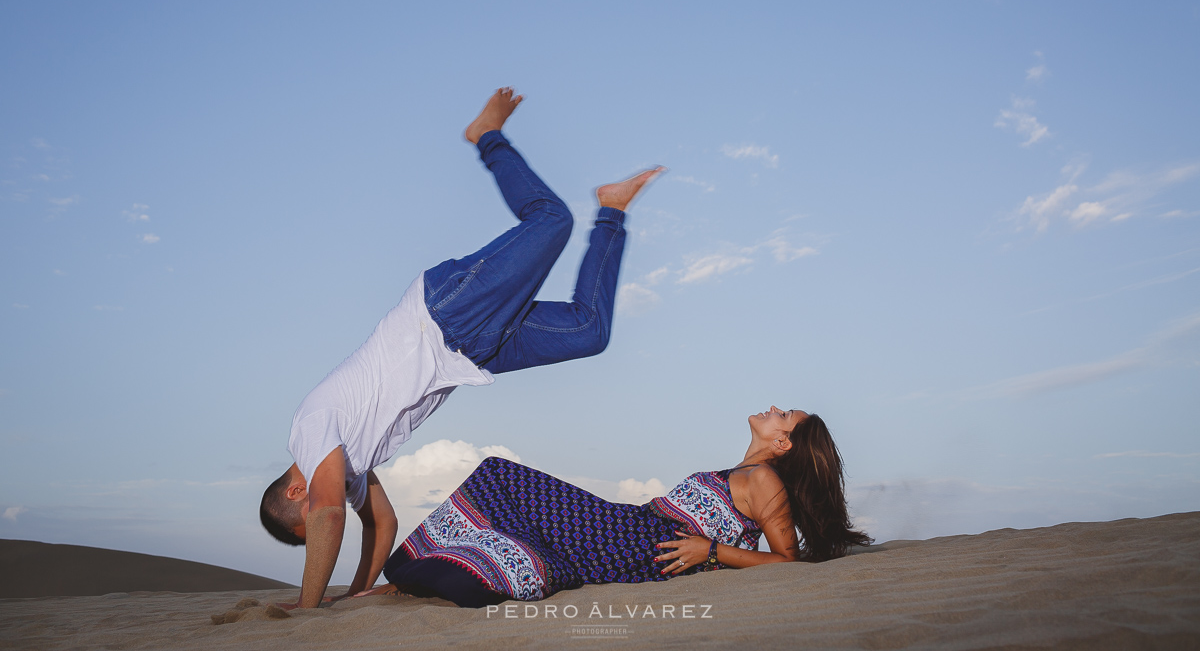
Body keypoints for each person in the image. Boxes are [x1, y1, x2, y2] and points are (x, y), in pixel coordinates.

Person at [258, 88, 664, 609]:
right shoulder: (348, 468)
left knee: (550, 220)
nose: (320, 525)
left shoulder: (309, 430)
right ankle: (611, 209)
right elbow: (382, 523)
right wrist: (358, 591)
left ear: (297, 492)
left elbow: (330, 514)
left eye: (308, 526)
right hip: (471, 352)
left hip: (441, 315)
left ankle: (486, 136)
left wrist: (308, 607)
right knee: (589, 332)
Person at [359, 406, 872, 607]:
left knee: (498, 475)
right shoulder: (741, 472)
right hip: (632, 524)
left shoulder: (765, 480)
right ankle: (422, 572)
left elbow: (787, 561)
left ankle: (423, 571)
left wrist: (711, 551)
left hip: (639, 543)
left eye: (784, 415)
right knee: (499, 482)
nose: (773, 408)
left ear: (784, 443)